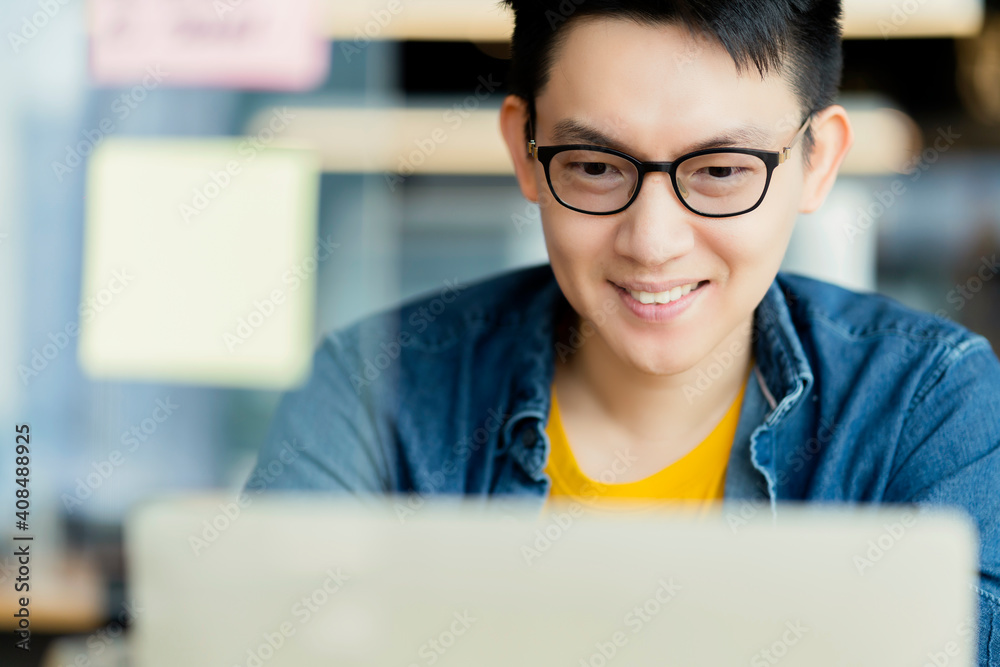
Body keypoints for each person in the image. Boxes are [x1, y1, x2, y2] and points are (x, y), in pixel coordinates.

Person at [244, 1, 1000, 661]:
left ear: (817, 161)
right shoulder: (375, 388)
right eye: (597, 166)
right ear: (525, 153)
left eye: (722, 170)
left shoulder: (927, 406)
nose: (653, 241)